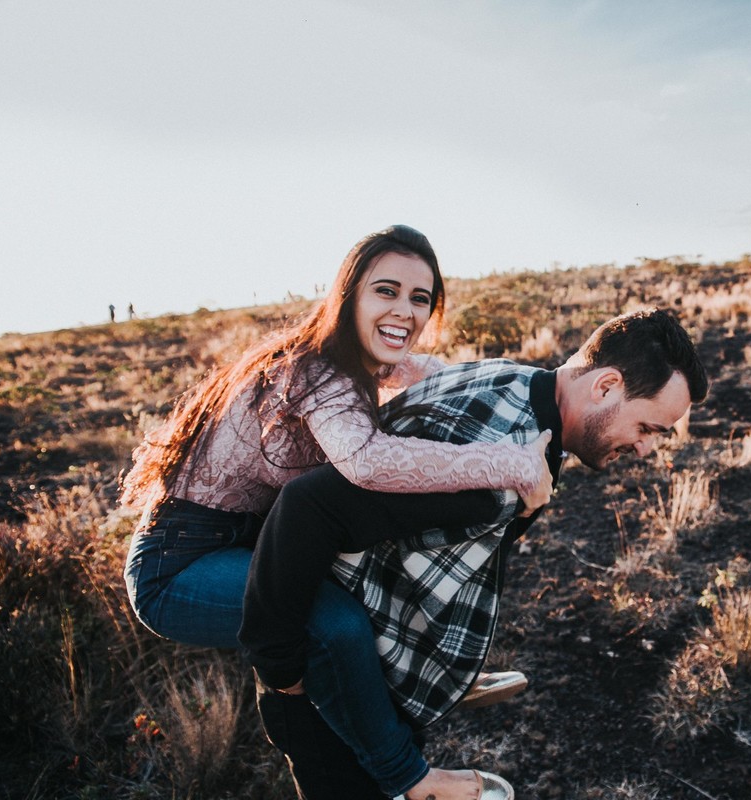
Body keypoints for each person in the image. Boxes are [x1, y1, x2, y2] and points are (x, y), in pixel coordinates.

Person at [120, 225, 554, 798]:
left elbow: (428, 381)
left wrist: (431, 371)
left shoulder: (348, 362)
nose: (405, 309)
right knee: (334, 624)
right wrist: (507, 464)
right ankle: (411, 779)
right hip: (178, 567)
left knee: (366, 578)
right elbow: (367, 462)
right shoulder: (314, 370)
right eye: (387, 291)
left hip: (249, 540)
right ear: (348, 295)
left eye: (420, 299)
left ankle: (433, 678)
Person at [240, 308, 710, 800]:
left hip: (376, 648)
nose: (645, 450)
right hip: (340, 679)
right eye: (649, 429)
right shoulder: (495, 467)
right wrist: (280, 671)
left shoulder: (522, 381)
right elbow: (310, 506)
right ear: (606, 385)